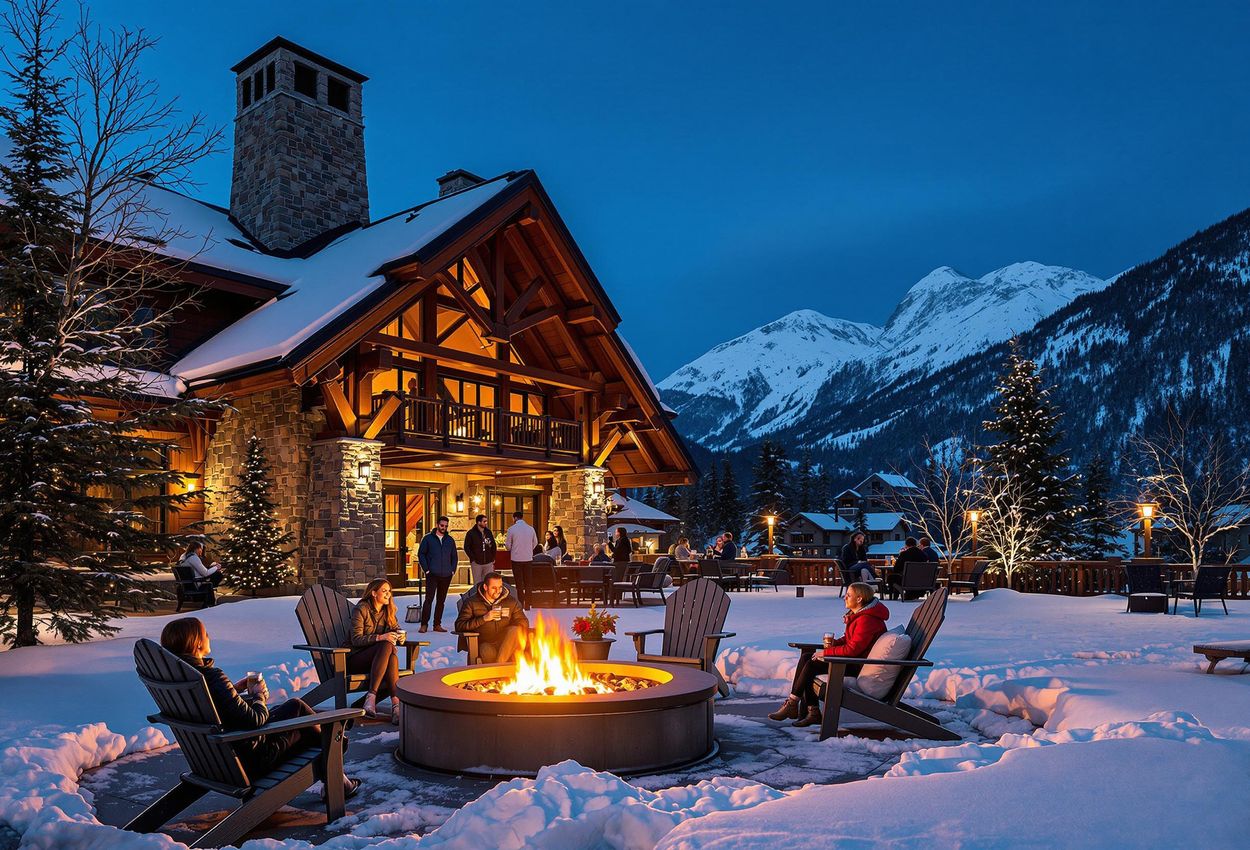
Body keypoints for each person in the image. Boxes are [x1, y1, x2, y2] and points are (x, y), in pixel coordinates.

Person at [160, 617, 360, 798]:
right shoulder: (211, 676)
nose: (209, 637)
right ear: (196, 643)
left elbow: (216, 708)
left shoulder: (181, 678)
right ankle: (337, 765)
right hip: (254, 758)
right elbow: (255, 720)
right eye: (205, 634)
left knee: (294, 706)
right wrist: (257, 696)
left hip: (215, 759)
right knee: (311, 727)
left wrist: (233, 691)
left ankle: (339, 777)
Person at [768, 582, 890, 727]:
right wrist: (834, 644)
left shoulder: (867, 620)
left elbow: (853, 650)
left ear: (859, 599)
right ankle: (808, 710)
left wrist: (826, 652)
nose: (845, 597)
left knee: (812, 664)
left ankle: (795, 705)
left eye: (849, 595)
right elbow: (849, 639)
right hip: (854, 661)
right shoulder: (861, 615)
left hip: (859, 666)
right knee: (808, 657)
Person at [348, 578, 406, 724]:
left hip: (379, 662)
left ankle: (392, 704)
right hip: (355, 658)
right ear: (374, 593)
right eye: (384, 591)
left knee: (390, 653)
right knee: (386, 645)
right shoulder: (361, 609)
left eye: (389, 591)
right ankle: (380, 698)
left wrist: (400, 636)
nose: (388, 595)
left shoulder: (388, 610)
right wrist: (380, 637)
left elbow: (395, 629)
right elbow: (356, 639)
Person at [454, 571, 529, 663]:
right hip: (485, 642)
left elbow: (523, 621)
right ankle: (500, 669)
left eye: (500, 587)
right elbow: (460, 625)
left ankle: (498, 666)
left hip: (506, 642)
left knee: (516, 631)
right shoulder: (472, 603)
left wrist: (510, 625)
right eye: (494, 588)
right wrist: (484, 619)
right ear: (485, 587)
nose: (498, 591)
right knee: (487, 652)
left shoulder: (511, 602)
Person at [417, 515, 457, 633]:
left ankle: (437, 624)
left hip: (446, 575)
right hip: (432, 574)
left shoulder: (450, 540)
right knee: (429, 599)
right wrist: (427, 569)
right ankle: (424, 624)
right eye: (442, 525)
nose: (444, 527)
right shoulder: (428, 539)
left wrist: (452, 570)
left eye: (446, 526)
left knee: (441, 601)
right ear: (437, 525)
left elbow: (454, 556)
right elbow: (421, 554)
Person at [505, 511, 538, 609]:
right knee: (528, 582)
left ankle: (520, 603)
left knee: (519, 582)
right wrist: (528, 549)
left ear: (514, 518)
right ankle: (528, 604)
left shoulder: (511, 529)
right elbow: (535, 542)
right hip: (528, 558)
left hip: (516, 558)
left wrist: (511, 548)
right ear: (522, 517)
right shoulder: (530, 529)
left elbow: (507, 545)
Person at [464, 514, 497, 586]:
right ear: (478, 522)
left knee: (488, 582)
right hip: (476, 563)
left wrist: (493, 557)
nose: (486, 523)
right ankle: (478, 597)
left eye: (486, 521)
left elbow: (493, 545)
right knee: (477, 583)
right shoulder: (471, 533)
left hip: (488, 562)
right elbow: (466, 547)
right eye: (484, 521)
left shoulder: (488, 532)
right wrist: (473, 558)